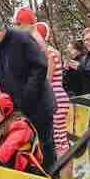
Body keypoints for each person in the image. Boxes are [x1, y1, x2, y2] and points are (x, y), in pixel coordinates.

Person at [0, 12, 57, 174]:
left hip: (37, 103)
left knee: (44, 143)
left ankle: (53, 177)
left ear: (0, 30)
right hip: (15, 109)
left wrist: (28, 94)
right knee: (18, 147)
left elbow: (40, 65)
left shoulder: (22, 38)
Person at [34, 21, 72, 171]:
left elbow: (46, 80)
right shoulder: (52, 51)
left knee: (58, 140)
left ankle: (64, 174)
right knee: (60, 139)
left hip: (53, 98)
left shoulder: (47, 53)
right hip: (57, 96)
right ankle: (65, 174)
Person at [64, 27, 90, 97]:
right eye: (85, 40)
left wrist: (80, 68)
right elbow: (75, 83)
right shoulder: (86, 58)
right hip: (86, 97)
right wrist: (67, 70)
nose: (87, 43)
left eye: (89, 39)